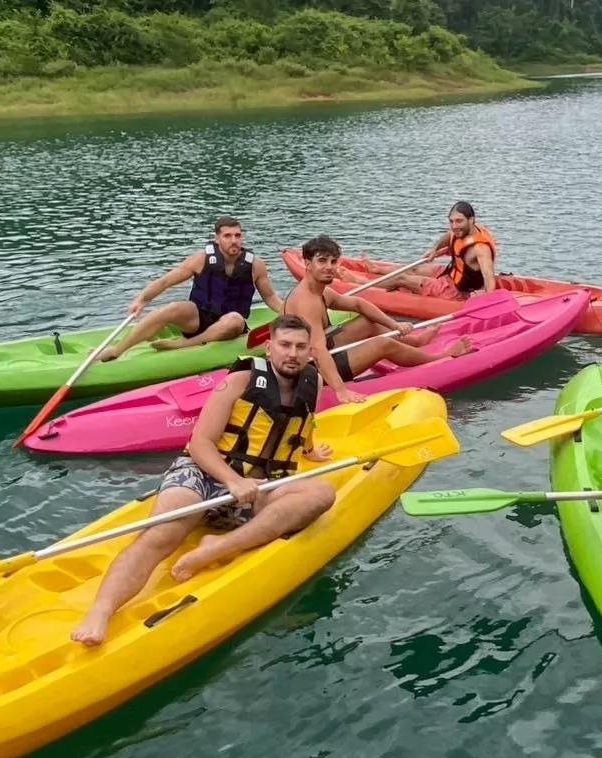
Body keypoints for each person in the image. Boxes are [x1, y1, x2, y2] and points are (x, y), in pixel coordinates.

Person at [71, 315, 335, 646]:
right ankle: (100, 610)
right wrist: (231, 481)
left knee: (322, 492)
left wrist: (311, 451)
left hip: (258, 489)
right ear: (270, 348)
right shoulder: (239, 380)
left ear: (310, 352)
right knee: (161, 533)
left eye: (300, 347)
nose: (292, 354)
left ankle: (216, 547)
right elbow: (200, 443)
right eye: (284, 345)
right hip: (207, 475)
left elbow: (299, 425)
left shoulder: (315, 383)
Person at [286, 235, 472, 404]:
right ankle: (440, 357)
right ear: (308, 263)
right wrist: (341, 391)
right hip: (309, 371)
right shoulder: (306, 302)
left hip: (321, 350)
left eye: (333, 261)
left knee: (368, 322)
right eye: (322, 261)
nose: (329, 266)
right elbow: (318, 351)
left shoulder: (320, 291)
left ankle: (416, 341)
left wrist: (394, 325)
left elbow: (359, 304)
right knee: (382, 344)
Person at [99, 217, 283, 362]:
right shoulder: (201, 259)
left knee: (234, 319)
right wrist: (140, 300)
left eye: (238, 235)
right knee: (172, 308)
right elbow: (165, 282)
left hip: (230, 326)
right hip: (199, 318)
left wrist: (291, 311)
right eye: (227, 236)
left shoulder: (255, 265)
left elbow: (270, 296)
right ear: (217, 238)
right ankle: (117, 350)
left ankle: (182, 345)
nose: (234, 241)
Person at [341, 202, 498, 301]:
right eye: (451, 221)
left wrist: (490, 303)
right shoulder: (460, 231)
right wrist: (434, 249)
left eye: (459, 221)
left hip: (455, 291)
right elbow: (448, 236)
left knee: (402, 278)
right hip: (450, 273)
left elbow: (489, 279)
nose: (454, 225)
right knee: (413, 268)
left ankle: (360, 282)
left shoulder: (480, 248)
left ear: (471, 220)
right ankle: (377, 269)